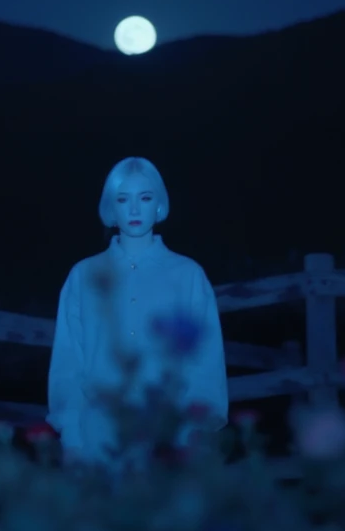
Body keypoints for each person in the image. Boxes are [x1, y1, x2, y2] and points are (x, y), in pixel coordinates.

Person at [47, 157, 229, 471]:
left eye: (144, 198)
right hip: (97, 440)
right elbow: (69, 362)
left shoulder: (188, 276)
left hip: (170, 440)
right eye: (123, 199)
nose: (134, 210)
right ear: (110, 208)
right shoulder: (83, 275)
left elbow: (206, 363)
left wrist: (197, 437)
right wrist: (73, 438)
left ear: (159, 205)